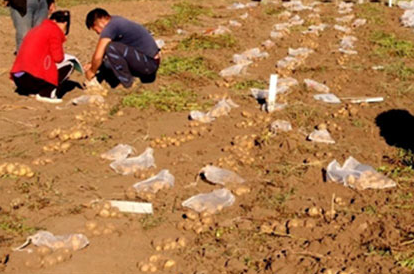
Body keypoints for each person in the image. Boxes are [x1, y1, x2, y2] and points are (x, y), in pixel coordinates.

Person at [84, 8, 160, 88]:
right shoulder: (116, 21)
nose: (98, 33)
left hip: (148, 64)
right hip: (149, 61)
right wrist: (92, 64)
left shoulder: (110, 27)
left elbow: (98, 55)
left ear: (101, 20)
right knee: (107, 63)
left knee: (111, 48)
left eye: (96, 29)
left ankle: (127, 82)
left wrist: (91, 71)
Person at [10, 10, 73, 104]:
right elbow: (58, 58)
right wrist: (61, 38)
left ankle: (32, 91)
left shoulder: (36, 29)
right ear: (65, 23)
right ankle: (47, 93)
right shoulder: (54, 30)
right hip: (32, 78)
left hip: (18, 77)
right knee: (70, 64)